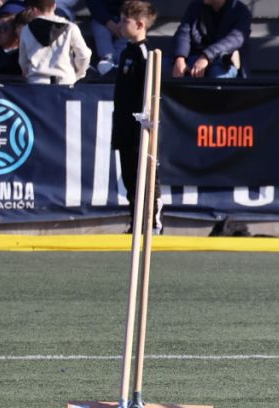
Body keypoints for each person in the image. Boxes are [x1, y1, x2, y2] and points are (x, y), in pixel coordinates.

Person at [112, 0, 159, 233]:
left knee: (146, 175)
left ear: (139, 24)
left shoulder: (146, 53)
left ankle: (151, 222)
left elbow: (149, 91)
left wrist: (146, 119)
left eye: (124, 21)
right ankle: (135, 221)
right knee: (129, 176)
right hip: (124, 124)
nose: (120, 25)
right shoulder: (126, 51)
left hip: (139, 126)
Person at [171, 0, 251, 79]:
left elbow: (235, 40)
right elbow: (183, 33)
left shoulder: (241, 11)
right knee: (163, 68)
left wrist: (206, 56)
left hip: (223, 62)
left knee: (218, 74)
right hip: (194, 59)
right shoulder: (194, 6)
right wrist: (180, 58)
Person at [18, 0, 90, 85]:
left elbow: (23, 61)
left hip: (36, 83)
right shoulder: (70, 28)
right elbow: (84, 55)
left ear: (34, 9)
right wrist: (78, 74)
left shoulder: (26, 30)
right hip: (65, 81)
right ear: (54, 6)